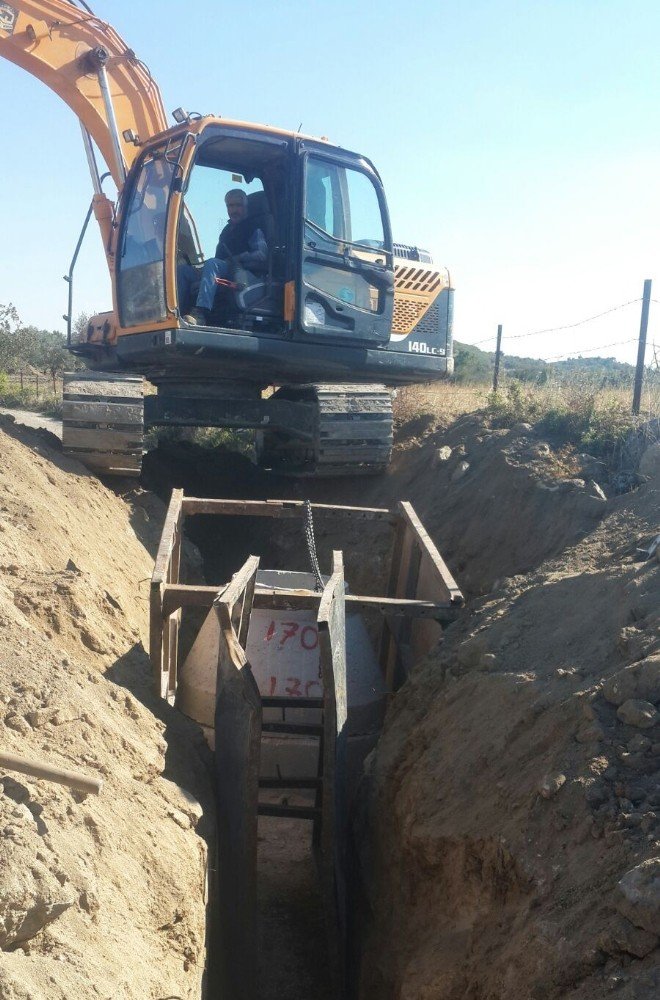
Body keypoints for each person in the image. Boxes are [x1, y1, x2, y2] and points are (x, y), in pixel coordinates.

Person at [179, 189, 268, 326]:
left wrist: (238, 258)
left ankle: (201, 313)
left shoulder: (253, 227)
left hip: (242, 273)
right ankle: (177, 312)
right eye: (230, 206)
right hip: (221, 269)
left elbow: (262, 254)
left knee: (213, 264)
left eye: (238, 205)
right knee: (184, 271)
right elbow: (218, 259)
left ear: (245, 206)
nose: (234, 210)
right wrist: (201, 270)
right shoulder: (226, 231)